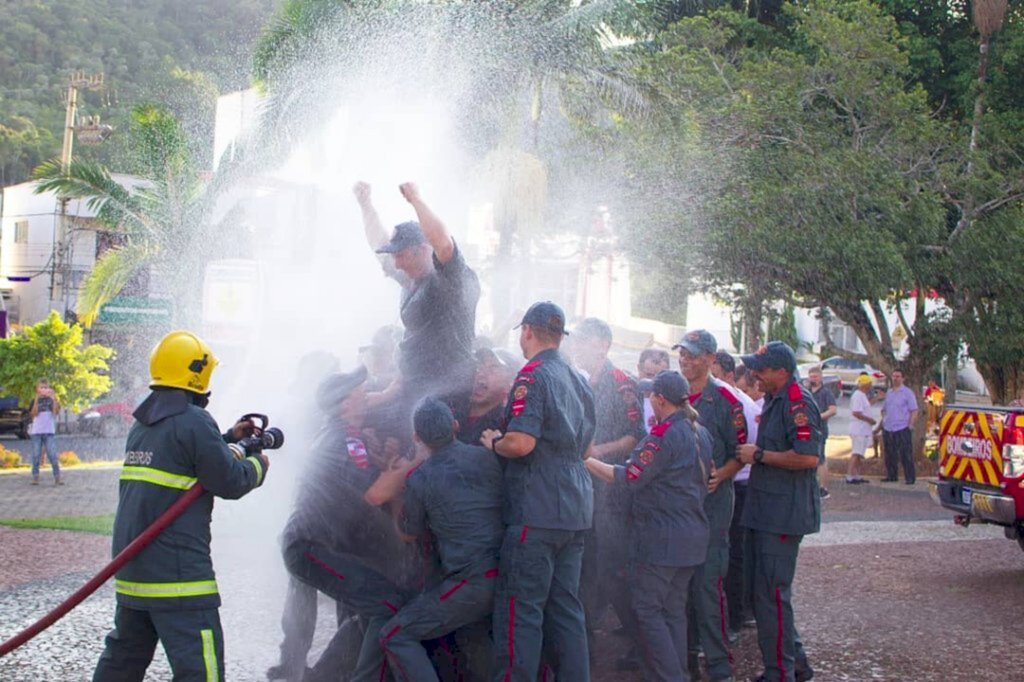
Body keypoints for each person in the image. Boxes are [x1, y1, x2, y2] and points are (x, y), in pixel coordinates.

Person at [92, 331, 269, 682]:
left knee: (122, 662)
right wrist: (259, 464)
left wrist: (230, 439)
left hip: (134, 573)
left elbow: (188, 460)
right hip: (179, 579)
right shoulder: (194, 420)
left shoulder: (144, 424)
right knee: (200, 672)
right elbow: (229, 481)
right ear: (196, 375)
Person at [281, 368, 423, 682]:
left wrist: (388, 395)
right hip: (310, 547)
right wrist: (416, 461)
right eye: (359, 391)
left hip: (317, 544)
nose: (366, 393)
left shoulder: (339, 430)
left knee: (370, 605)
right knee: (385, 604)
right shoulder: (345, 441)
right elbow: (374, 494)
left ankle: (327, 676)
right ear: (345, 404)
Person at [480, 301, 595, 682]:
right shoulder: (579, 378)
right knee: (566, 609)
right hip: (576, 509)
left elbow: (521, 443)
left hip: (536, 509)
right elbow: (588, 449)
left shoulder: (531, 375)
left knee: (521, 611)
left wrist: (495, 442)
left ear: (527, 331)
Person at [585, 370, 710, 682]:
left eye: (651, 396)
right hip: (692, 536)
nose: (648, 402)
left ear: (660, 399)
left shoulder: (661, 436)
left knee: (649, 610)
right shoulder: (699, 432)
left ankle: (671, 677)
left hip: (662, 539)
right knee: (673, 611)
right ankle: (678, 671)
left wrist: (585, 459)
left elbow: (628, 477)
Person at [380, 398, 505, 681]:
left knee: (394, 635)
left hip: (470, 583)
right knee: (473, 634)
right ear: (456, 426)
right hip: (508, 571)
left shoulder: (421, 478)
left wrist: (396, 500)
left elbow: (409, 532)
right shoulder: (487, 456)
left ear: (417, 437)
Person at [736, 341, 821, 682]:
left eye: (762, 369)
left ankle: (780, 673)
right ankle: (794, 664)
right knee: (761, 594)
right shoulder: (775, 399)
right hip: (765, 510)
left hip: (783, 514)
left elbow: (808, 457)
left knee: (772, 594)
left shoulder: (798, 402)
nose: (755, 374)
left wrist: (759, 456)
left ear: (782, 372)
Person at [353, 181, 481, 406]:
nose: (397, 264)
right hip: (414, 392)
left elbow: (445, 247)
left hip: (446, 398)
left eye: (401, 255)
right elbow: (381, 251)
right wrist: (366, 205)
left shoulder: (449, 280)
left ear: (422, 250)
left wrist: (416, 200)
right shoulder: (412, 277)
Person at [570, 317, 645, 661]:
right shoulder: (576, 379)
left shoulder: (622, 382)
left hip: (613, 489)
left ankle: (642, 642)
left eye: (583, 340)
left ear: (602, 345)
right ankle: (584, 640)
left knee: (616, 568)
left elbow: (635, 436)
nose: (576, 346)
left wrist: (596, 451)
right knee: (585, 564)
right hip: (583, 486)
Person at [675, 329, 746, 682]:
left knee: (707, 585)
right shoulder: (671, 395)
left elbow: (740, 455)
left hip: (713, 505)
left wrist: (723, 475)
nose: (684, 359)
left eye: (691, 354)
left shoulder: (726, 402)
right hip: (677, 506)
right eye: (682, 353)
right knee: (677, 587)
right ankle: (683, 661)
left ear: (709, 358)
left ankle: (718, 666)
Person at [713, 361, 763, 640]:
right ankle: (738, 612)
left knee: (733, 553)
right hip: (733, 482)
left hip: (737, 483)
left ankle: (735, 615)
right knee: (733, 552)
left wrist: (725, 471)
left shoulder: (737, 403)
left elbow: (747, 448)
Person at [458, 347, 519, 447]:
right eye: (480, 366)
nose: (481, 373)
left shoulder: (506, 429)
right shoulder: (452, 409)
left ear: (511, 382)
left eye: (493, 368)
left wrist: (498, 452)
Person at [881, 369, 919, 485]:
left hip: (902, 427)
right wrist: (884, 420)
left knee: (905, 454)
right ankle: (892, 476)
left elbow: (914, 410)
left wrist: (911, 425)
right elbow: (884, 409)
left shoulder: (907, 393)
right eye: (893, 376)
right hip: (889, 428)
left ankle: (910, 478)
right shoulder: (889, 393)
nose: (895, 378)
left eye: (898, 376)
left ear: (903, 378)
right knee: (890, 454)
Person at [806, 367, 837, 500]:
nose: (813, 379)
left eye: (816, 376)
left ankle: (824, 488)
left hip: (820, 430)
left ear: (821, 378)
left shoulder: (826, 393)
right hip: (807, 430)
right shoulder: (806, 392)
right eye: (811, 376)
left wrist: (819, 416)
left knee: (820, 459)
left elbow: (833, 410)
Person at [28, 378, 61, 486]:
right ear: (38, 389)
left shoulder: (51, 400)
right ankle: (35, 477)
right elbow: (32, 414)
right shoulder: (34, 400)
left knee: (52, 454)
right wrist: (37, 400)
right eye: (42, 387)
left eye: (46, 387)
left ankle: (57, 477)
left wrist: (54, 398)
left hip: (48, 432)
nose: (44, 389)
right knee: (36, 455)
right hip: (36, 432)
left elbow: (55, 412)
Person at [847, 374, 876, 484]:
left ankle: (856, 475)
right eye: (869, 384)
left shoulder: (863, 395)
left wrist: (877, 398)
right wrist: (870, 420)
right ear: (866, 384)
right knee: (856, 452)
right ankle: (850, 475)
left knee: (860, 453)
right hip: (858, 428)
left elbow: (866, 406)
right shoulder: (858, 396)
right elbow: (856, 413)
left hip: (863, 429)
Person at [638, 348, 671, 433]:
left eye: (659, 377)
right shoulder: (628, 396)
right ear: (638, 369)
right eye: (649, 375)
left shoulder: (672, 403)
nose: (653, 381)